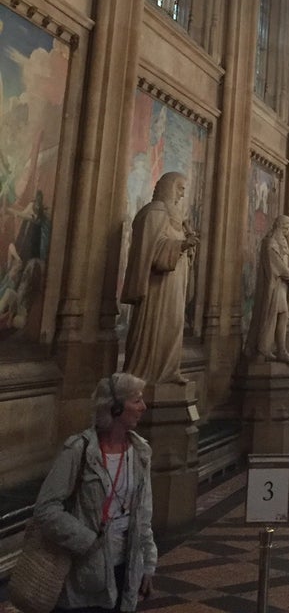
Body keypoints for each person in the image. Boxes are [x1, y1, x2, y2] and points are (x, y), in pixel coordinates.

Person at [32, 373, 156, 612]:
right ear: (116, 408)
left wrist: (148, 564)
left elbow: (143, 514)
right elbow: (46, 509)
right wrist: (87, 541)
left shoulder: (140, 452)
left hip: (126, 567)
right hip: (85, 570)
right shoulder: (79, 450)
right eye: (137, 400)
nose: (144, 407)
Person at [120, 172, 198, 385]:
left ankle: (169, 370)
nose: (182, 194)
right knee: (155, 326)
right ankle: (146, 373)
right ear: (169, 187)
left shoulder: (177, 218)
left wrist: (188, 245)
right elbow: (151, 251)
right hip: (157, 287)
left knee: (173, 324)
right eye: (180, 188)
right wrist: (181, 245)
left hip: (175, 284)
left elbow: (175, 244)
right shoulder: (154, 213)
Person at [245, 215, 289, 364]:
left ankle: (280, 349)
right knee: (271, 315)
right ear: (281, 226)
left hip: (281, 286)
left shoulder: (281, 243)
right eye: (287, 227)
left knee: (283, 315)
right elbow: (278, 266)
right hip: (273, 286)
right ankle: (263, 348)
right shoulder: (270, 243)